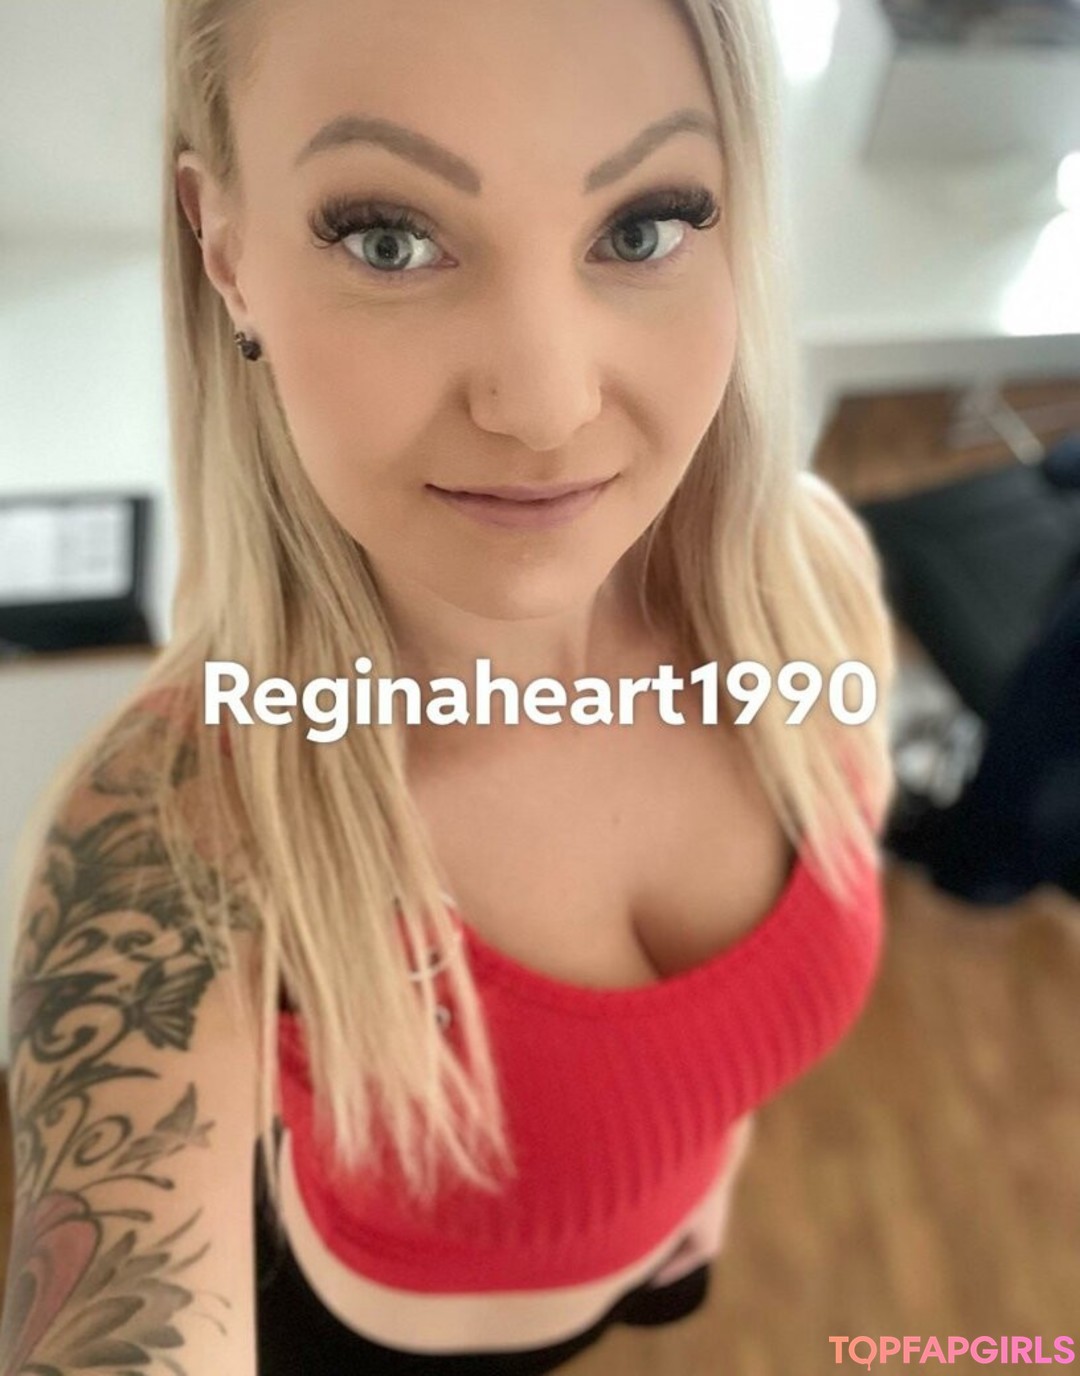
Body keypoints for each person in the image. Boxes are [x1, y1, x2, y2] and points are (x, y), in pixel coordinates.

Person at [0, 1, 898, 1372]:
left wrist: (708, 1147)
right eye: (390, 239)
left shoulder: (805, 589)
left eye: (645, 225)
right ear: (226, 251)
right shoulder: (169, 835)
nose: (544, 405)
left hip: (661, 1251)